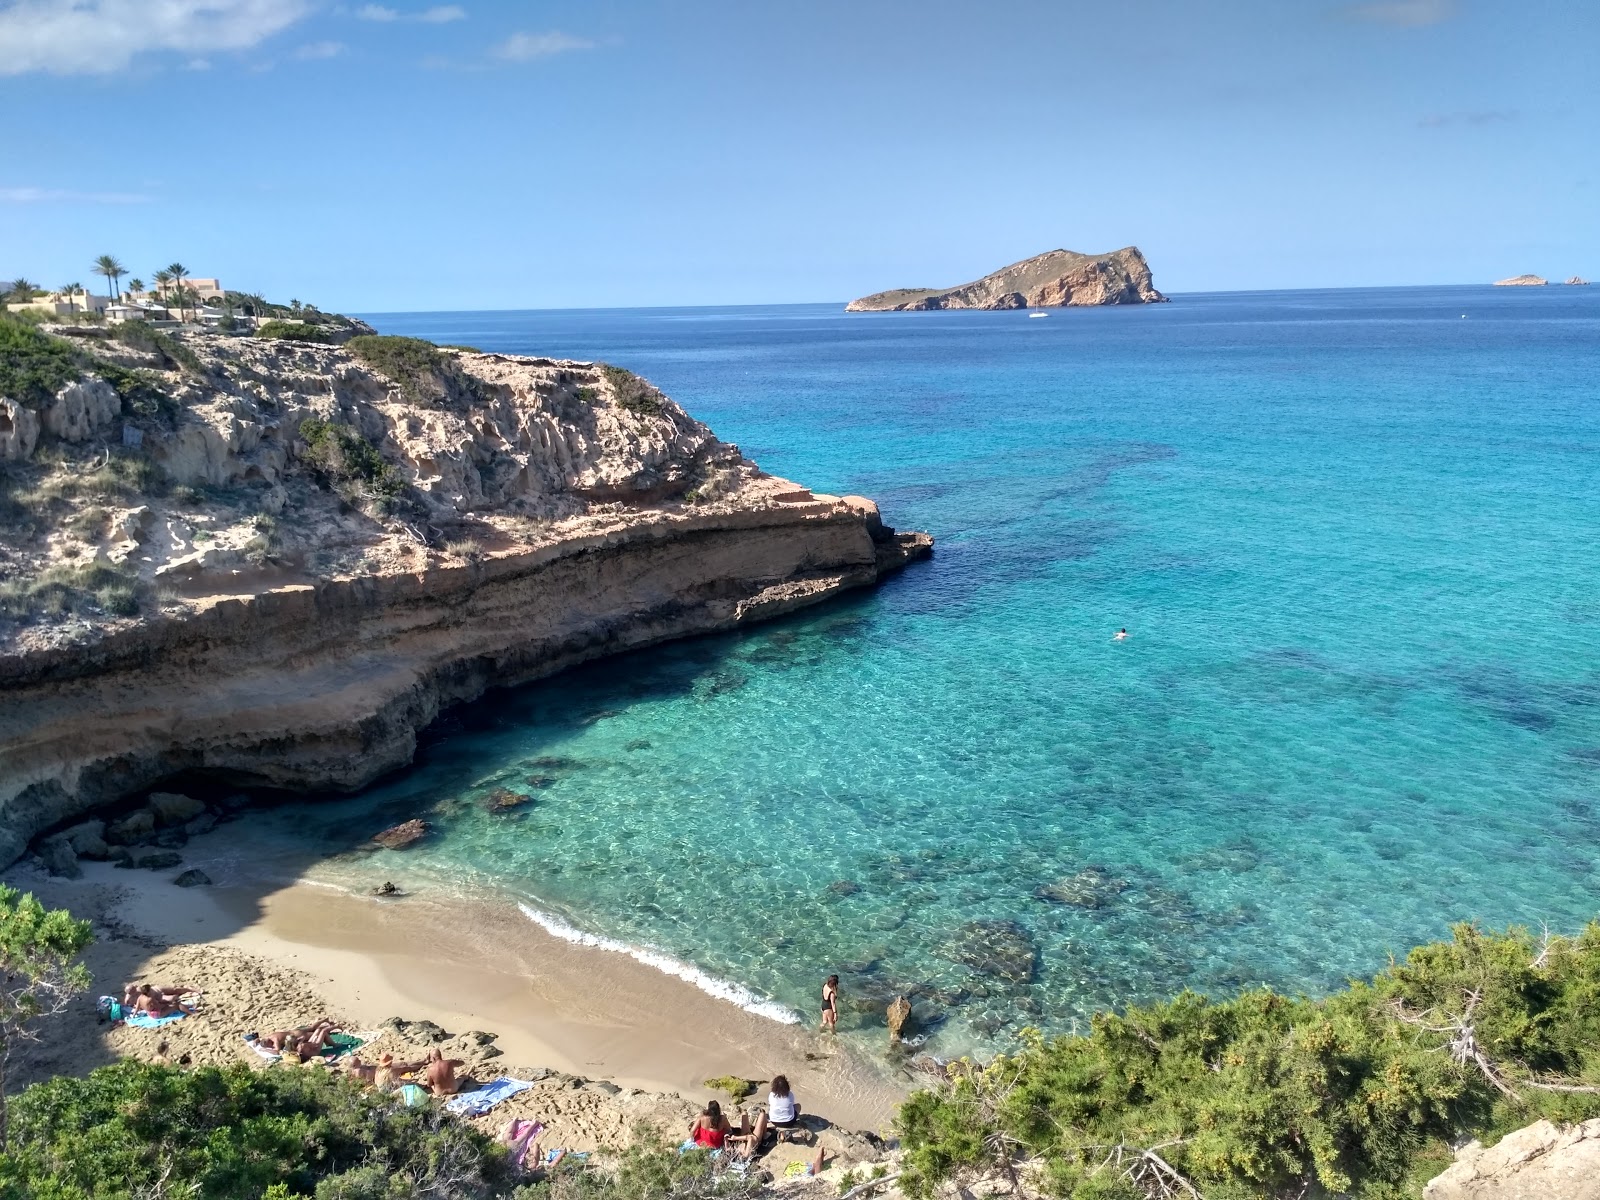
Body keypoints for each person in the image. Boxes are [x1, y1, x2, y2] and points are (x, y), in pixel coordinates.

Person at [747, 1075, 804, 1148]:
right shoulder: (790, 1095)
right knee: (798, 1106)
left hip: (774, 1121)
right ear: (787, 1086)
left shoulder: (771, 1095)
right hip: (789, 1122)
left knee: (771, 1108)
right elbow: (791, 1105)